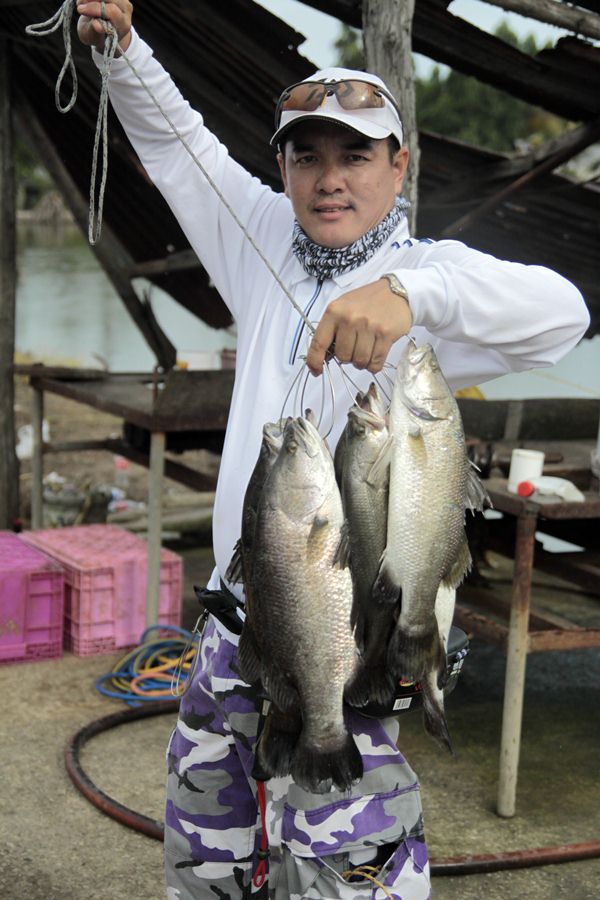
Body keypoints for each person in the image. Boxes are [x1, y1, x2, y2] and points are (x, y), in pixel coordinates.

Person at [77, 4, 589, 898]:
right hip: (233, 633)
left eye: (355, 154)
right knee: (203, 867)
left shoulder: (436, 284)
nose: (328, 179)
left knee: (353, 876)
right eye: (305, 156)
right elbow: (178, 147)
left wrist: (407, 296)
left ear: (402, 165)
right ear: (280, 168)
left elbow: (565, 312)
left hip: (351, 649)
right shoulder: (259, 245)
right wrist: (122, 51)